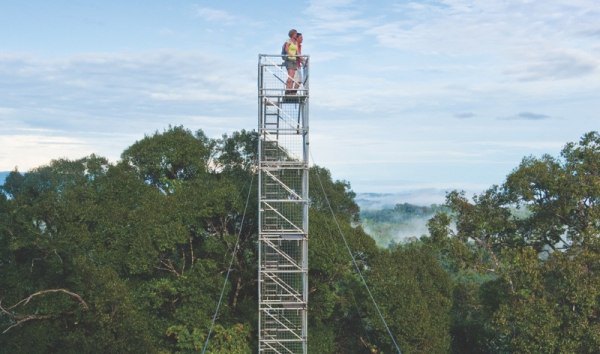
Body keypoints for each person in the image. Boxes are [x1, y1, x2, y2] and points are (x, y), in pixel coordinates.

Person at [283, 29, 298, 94]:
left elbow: (297, 52)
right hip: (289, 59)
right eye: (295, 34)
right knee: (290, 75)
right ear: (292, 34)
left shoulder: (296, 42)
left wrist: (301, 58)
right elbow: (286, 49)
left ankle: (290, 90)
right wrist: (290, 54)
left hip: (294, 60)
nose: (296, 35)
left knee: (293, 76)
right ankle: (287, 90)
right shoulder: (288, 40)